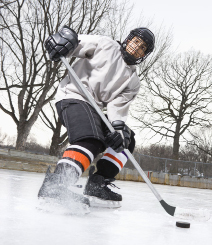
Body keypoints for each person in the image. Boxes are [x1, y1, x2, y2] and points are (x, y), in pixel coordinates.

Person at [38, 25, 155, 208]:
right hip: (73, 96)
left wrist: (118, 129)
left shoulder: (133, 81)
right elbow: (76, 44)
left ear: (144, 55)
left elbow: (117, 106)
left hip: (96, 109)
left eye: (142, 48)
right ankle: (57, 184)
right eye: (136, 42)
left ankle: (97, 183)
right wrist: (64, 43)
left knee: (126, 139)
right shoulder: (106, 45)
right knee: (91, 138)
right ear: (129, 39)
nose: (137, 48)